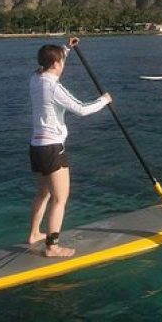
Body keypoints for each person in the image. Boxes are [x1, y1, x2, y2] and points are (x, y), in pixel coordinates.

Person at [28, 37, 112, 257]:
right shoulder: (54, 87)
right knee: (60, 199)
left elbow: (47, 62)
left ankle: (35, 234)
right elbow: (82, 109)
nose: (63, 64)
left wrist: (67, 48)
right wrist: (103, 101)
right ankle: (52, 247)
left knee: (43, 194)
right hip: (53, 149)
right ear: (55, 64)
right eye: (61, 61)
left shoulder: (34, 79)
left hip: (36, 148)